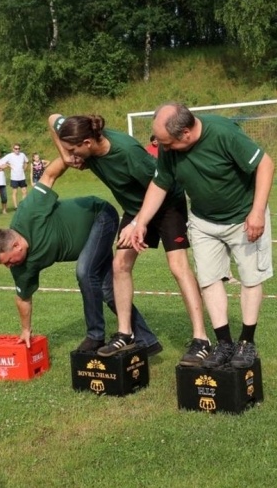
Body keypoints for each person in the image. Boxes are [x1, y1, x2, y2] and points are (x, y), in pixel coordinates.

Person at [49, 113, 210, 364]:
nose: (72, 155)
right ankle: (126, 333)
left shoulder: (127, 152)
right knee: (119, 265)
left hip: (167, 204)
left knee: (178, 267)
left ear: (88, 143)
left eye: (74, 149)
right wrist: (67, 154)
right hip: (135, 208)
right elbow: (53, 119)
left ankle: (201, 339)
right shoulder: (85, 147)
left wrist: (138, 224)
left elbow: (160, 185)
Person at [131, 102, 276, 369]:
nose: (163, 148)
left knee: (250, 277)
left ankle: (246, 342)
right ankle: (224, 344)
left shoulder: (223, 133)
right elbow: (160, 183)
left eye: (167, 143)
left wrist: (257, 211)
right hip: (203, 222)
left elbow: (265, 165)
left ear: (185, 133)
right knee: (208, 279)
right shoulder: (168, 147)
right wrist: (141, 221)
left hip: (244, 217)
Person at [0, 159, 161, 356]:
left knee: (85, 271)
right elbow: (23, 298)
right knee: (109, 291)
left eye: (8, 261)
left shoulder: (28, 212)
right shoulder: (20, 266)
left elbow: (49, 176)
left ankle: (95, 336)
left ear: (16, 245)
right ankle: (147, 340)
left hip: (100, 215)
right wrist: (26, 330)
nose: (9, 267)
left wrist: (68, 156)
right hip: (89, 242)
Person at [0, 143, 29, 209]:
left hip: (22, 177)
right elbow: (1, 161)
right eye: (16, 149)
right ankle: (16, 206)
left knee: (24, 191)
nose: (17, 150)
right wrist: (8, 165)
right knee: (15, 192)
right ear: (13, 149)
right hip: (14, 177)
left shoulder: (22, 155)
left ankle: (23, 205)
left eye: (18, 149)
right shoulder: (10, 156)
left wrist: (24, 169)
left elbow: (26, 162)